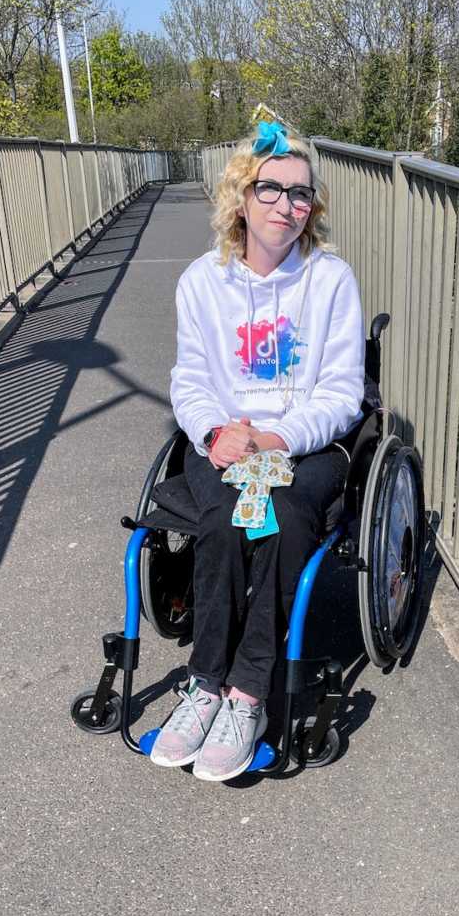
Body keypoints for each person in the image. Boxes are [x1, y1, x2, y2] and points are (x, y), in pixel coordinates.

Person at [150, 121, 365, 781]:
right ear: (241, 197)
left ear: (313, 208)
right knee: (220, 516)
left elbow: (342, 392)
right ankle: (205, 682)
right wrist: (217, 433)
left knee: (285, 516)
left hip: (303, 445)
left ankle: (247, 694)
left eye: (301, 195)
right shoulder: (200, 282)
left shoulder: (330, 280)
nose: (286, 206)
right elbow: (188, 378)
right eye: (271, 189)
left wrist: (277, 437)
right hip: (224, 443)